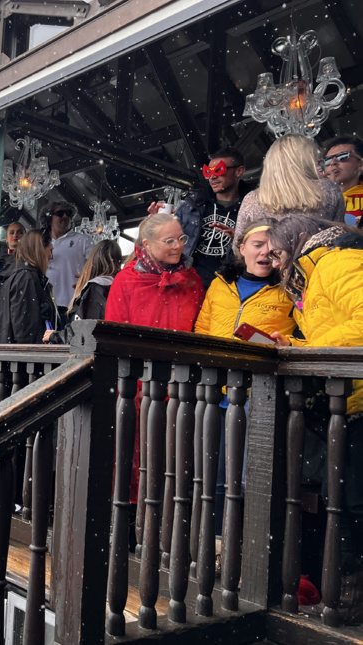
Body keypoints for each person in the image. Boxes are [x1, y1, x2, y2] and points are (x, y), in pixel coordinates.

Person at [266, 215, 363, 622]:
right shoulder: (311, 273)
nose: (272, 262)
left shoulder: (338, 262)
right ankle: (344, 599)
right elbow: (337, 328)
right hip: (347, 404)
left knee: (351, 504)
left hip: (358, 404)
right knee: (340, 502)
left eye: (275, 252)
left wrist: (307, 353)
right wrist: (295, 344)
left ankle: (348, 602)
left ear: (296, 239)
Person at [194, 218, 297, 534]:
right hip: (215, 394)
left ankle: (246, 546)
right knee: (214, 477)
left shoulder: (288, 289)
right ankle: (216, 545)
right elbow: (201, 329)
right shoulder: (218, 284)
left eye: (272, 246)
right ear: (241, 249)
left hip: (258, 396)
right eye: (257, 244)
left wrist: (286, 345)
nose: (265, 252)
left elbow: (307, 336)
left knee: (247, 478)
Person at [105, 212, 204, 509]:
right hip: (137, 385)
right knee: (136, 455)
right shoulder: (126, 281)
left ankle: (168, 521)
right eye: (170, 240)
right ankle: (133, 520)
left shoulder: (193, 280)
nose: (178, 246)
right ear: (146, 245)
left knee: (178, 457)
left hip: (182, 386)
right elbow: (115, 333)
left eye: (181, 239)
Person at [235, 134, 345, 248]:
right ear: (307, 160)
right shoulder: (329, 189)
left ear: (271, 162)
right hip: (315, 262)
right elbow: (338, 235)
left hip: (270, 262)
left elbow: (238, 248)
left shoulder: (252, 199)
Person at [173, 147, 250, 288]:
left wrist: (239, 237)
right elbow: (168, 238)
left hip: (231, 287)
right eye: (208, 172)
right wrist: (156, 223)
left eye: (219, 170)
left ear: (239, 171)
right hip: (189, 285)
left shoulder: (252, 209)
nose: (212, 177)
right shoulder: (193, 204)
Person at [44, 239, 122, 343]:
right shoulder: (118, 288)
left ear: (93, 260)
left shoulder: (95, 289)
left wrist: (55, 336)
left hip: (92, 354)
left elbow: (82, 332)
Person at [0, 229, 57, 344]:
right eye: (50, 251)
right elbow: (25, 328)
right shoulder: (27, 277)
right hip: (21, 356)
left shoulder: (20, 274)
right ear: (39, 250)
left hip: (9, 354)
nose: (51, 256)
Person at [41, 202, 92, 319]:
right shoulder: (40, 242)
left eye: (68, 213)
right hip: (45, 306)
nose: (65, 216)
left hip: (73, 306)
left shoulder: (83, 240)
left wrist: (87, 276)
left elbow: (98, 268)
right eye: (60, 213)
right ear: (49, 219)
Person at [321, 136, 363, 226]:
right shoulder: (318, 200)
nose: (333, 163)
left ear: (360, 164)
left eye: (342, 157)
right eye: (328, 161)